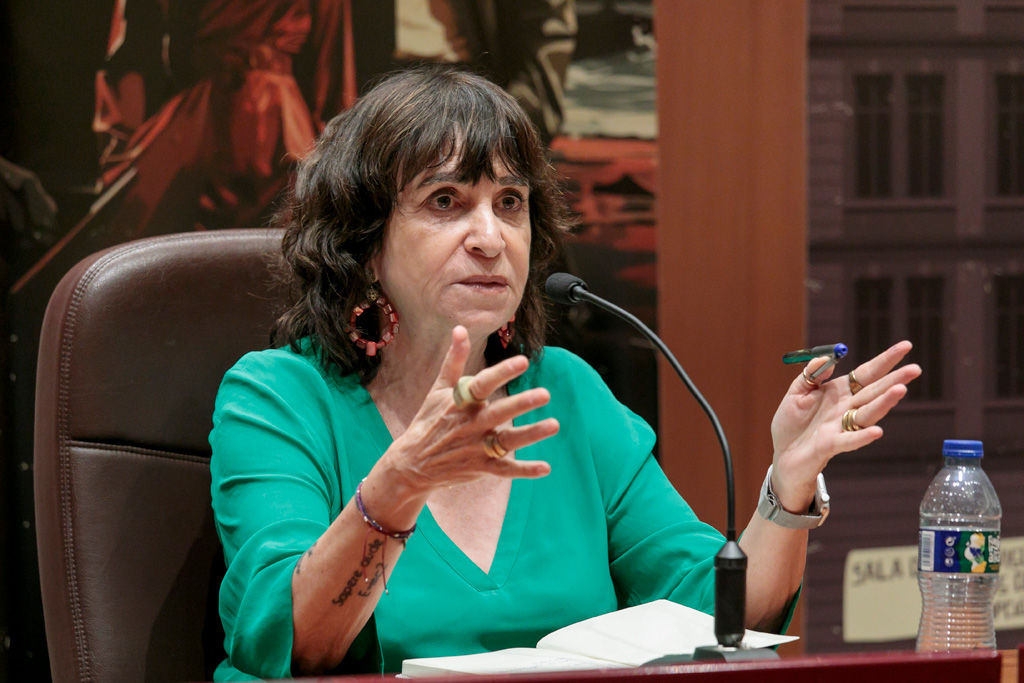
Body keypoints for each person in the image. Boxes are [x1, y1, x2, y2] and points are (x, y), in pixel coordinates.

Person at [209, 65, 921, 680]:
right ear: (365, 244)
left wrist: (788, 486)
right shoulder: (277, 399)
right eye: (445, 201)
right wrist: (402, 482)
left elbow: (718, 617)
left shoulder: (568, 394)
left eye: (509, 203)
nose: (490, 237)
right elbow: (295, 644)